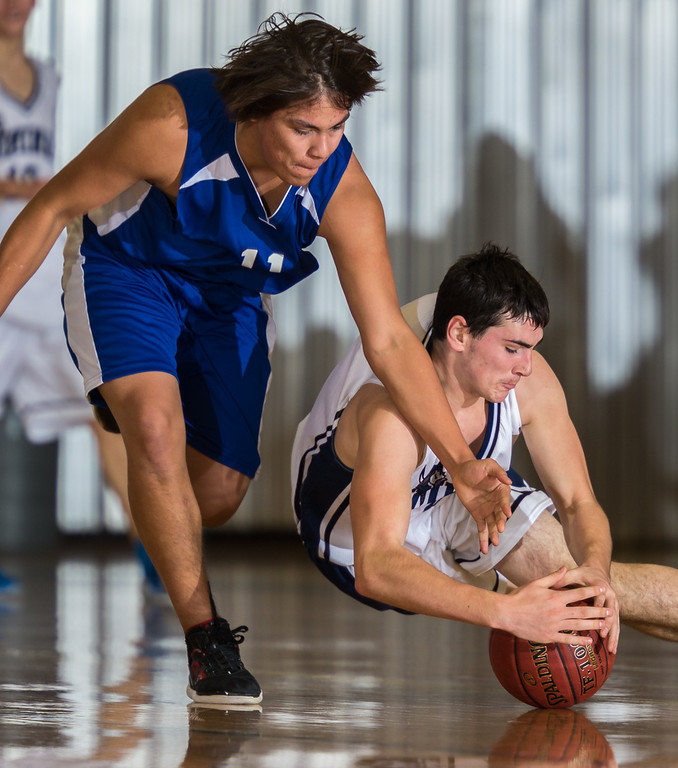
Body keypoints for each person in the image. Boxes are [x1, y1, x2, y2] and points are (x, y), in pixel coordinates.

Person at [0, 12, 512, 706]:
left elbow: (389, 340)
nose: (321, 148)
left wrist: (460, 463)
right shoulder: (172, 124)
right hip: (127, 271)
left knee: (213, 497)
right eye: (305, 129)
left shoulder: (343, 188)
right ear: (253, 109)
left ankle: (156, 469)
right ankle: (207, 641)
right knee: (155, 429)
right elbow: (52, 204)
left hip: (230, 298)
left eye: (336, 129)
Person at [293, 244, 678, 701]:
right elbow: (376, 567)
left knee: (588, 584)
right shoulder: (390, 413)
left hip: (461, 495)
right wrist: (506, 612)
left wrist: (595, 573)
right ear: (458, 333)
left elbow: (579, 504)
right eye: (513, 348)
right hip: (348, 542)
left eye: (533, 348)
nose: (527, 366)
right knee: (504, 583)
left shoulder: (529, 382)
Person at [0, 0, 161, 595]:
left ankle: (149, 545)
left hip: (41, 272)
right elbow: (43, 179)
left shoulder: (47, 77)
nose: (15, 6)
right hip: (3, 264)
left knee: (105, 412)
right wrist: (28, 186)